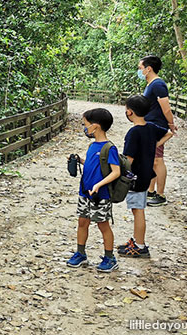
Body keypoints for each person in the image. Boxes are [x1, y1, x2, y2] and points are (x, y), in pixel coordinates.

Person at [117, 95, 174, 257]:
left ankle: (140, 246)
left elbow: (128, 160)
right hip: (146, 174)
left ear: (130, 112)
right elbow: (169, 133)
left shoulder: (133, 133)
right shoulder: (151, 127)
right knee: (138, 209)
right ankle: (137, 242)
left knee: (138, 210)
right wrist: (153, 145)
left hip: (135, 177)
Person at [67, 108, 121, 272]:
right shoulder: (92, 146)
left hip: (100, 195)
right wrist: (79, 160)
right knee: (82, 222)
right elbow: (92, 165)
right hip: (85, 193)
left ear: (95, 126)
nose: (84, 128)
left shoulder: (109, 148)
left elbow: (116, 172)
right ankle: (80, 253)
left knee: (102, 225)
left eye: (85, 125)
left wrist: (99, 185)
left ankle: (110, 257)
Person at [138, 55, 177, 206]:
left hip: (156, 126)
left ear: (149, 69)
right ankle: (151, 190)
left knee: (157, 160)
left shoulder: (158, 84)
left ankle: (160, 195)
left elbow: (165, 108)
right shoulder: (150, 84)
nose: (139, 71)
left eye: (140, 68)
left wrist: (171, 124)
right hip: (149, 125)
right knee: (151, 160)